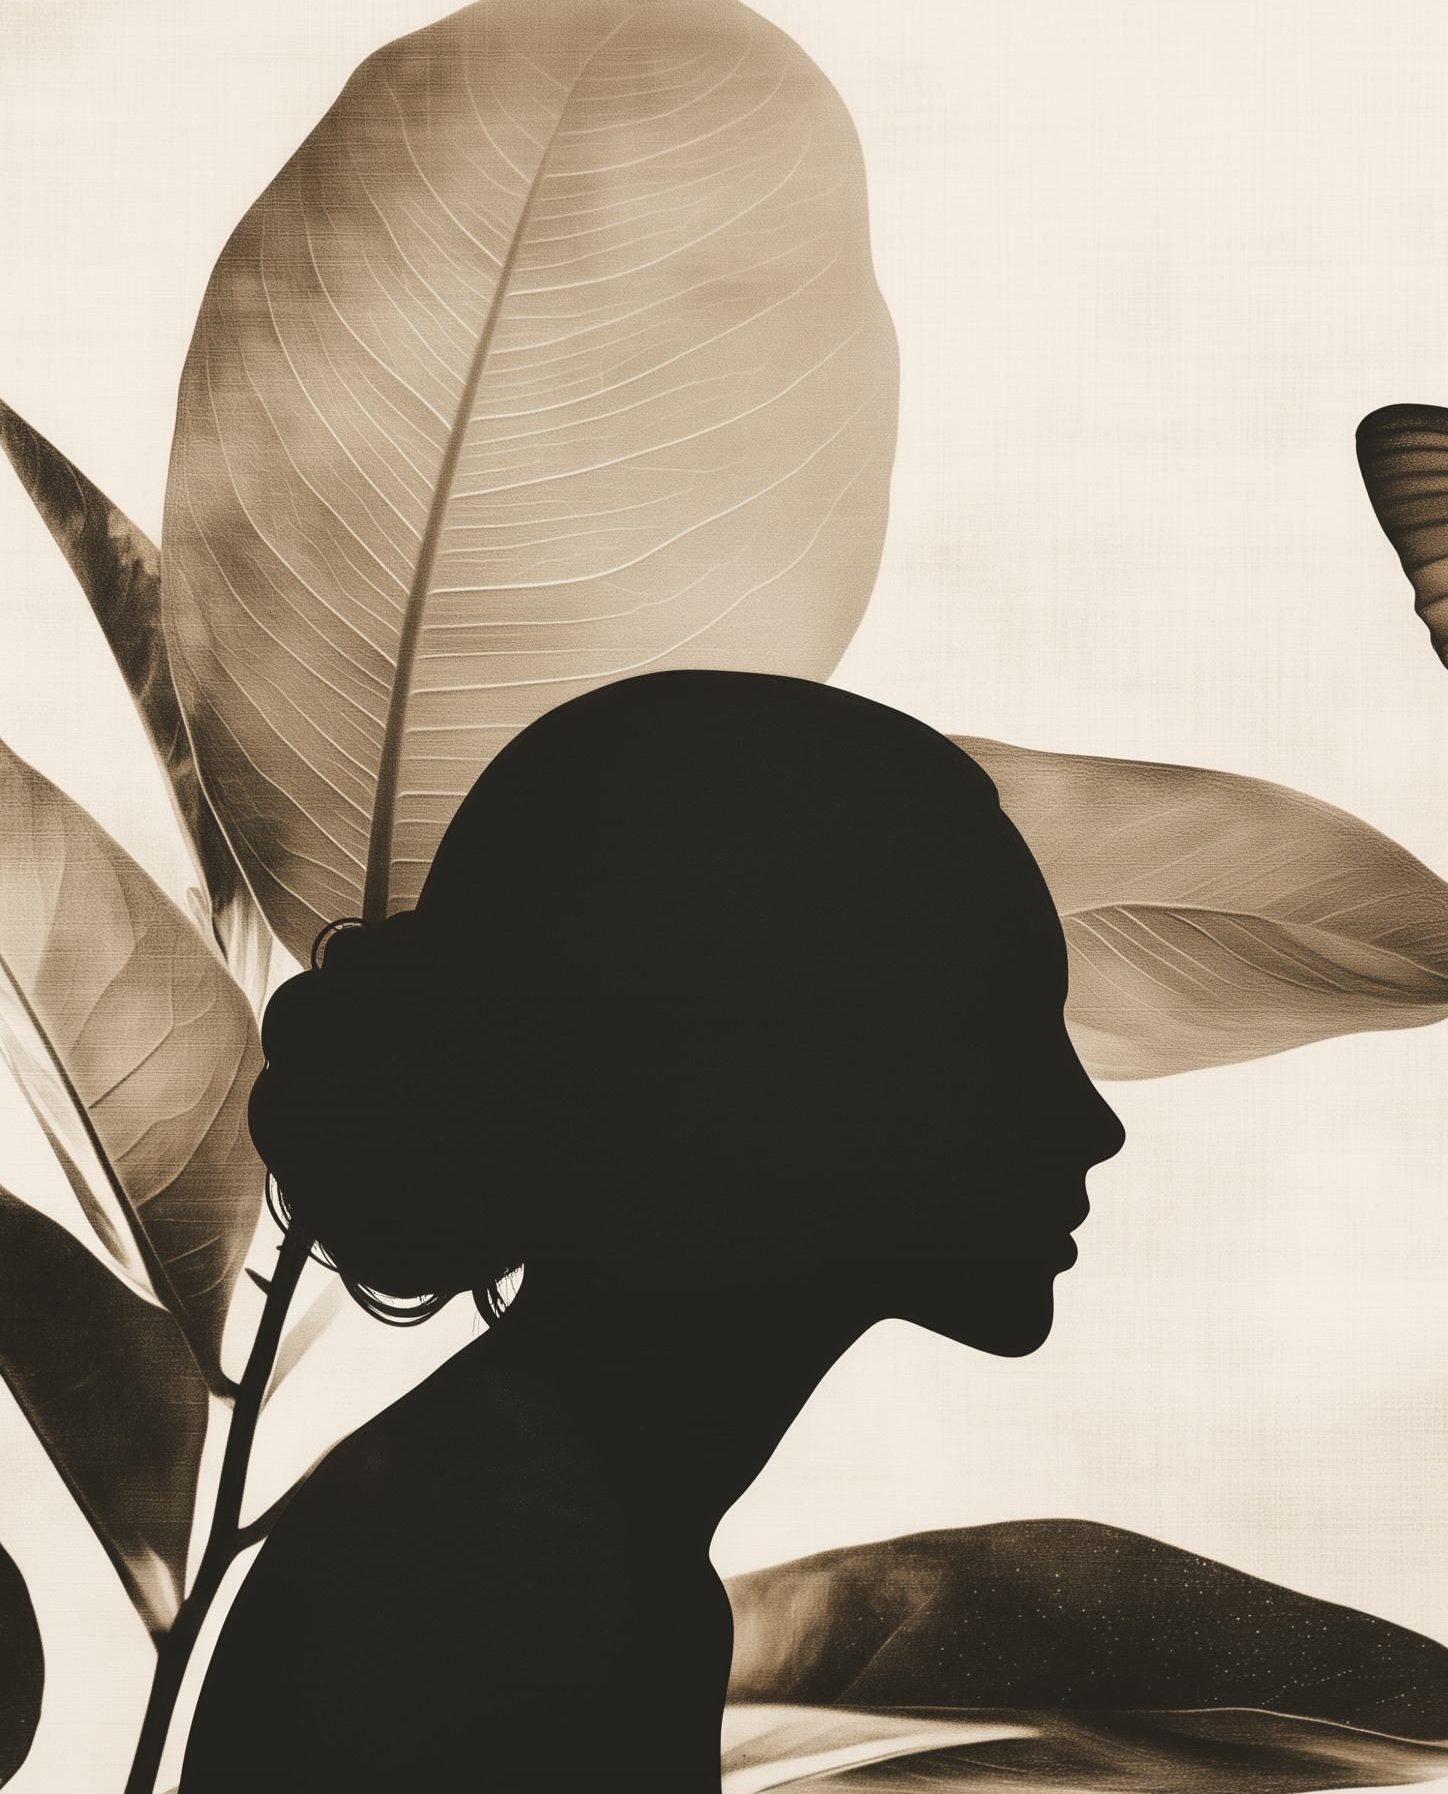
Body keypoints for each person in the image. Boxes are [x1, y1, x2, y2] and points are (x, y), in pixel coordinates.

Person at [179, 671, 1126, 1794]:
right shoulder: (510, 1572)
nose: (1093, 1121)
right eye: (1002, 1034)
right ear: (765, 1085)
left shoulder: (517, 1520)